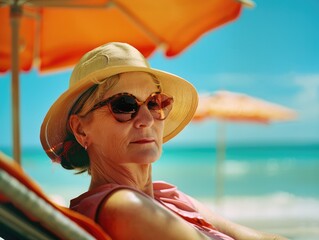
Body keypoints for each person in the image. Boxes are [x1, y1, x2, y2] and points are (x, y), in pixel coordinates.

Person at [40, 42, 288, 240]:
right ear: (81, 129)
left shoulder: (165, 195)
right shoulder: (123, 207)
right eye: (124, 105)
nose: (146, 119)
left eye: (154, 102)